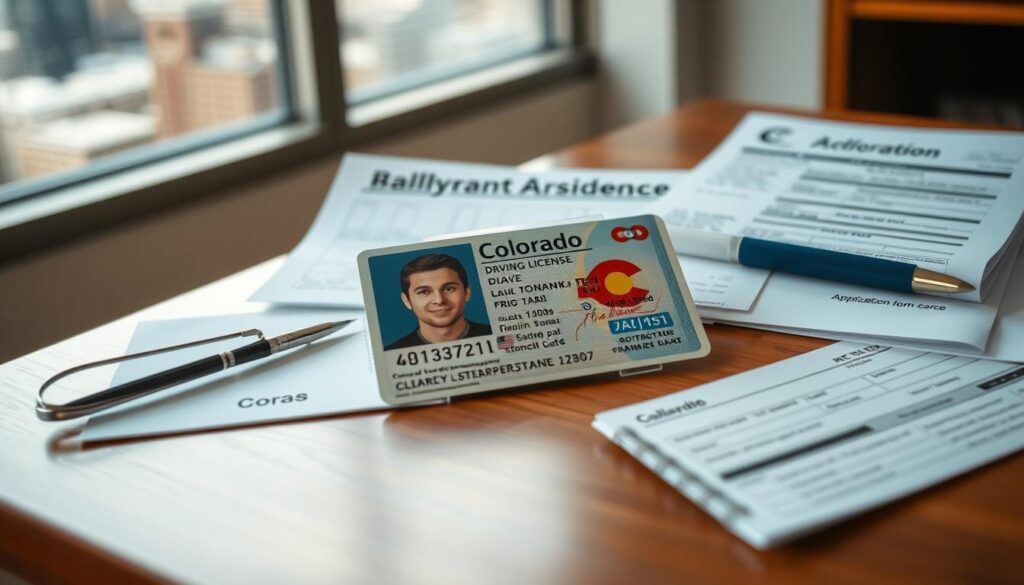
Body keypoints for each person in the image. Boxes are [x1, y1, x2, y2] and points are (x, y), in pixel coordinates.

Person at [384, 253, 491, 350]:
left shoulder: (500, 336)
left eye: (449, 289)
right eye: (424, 292)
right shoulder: (391, 353)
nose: (439, 300)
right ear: (407, 301)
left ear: (467, 293)